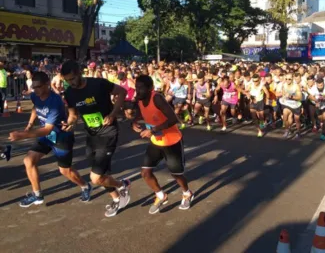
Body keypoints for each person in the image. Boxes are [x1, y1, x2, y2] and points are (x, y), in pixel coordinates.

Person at [8, 72, 91, 207]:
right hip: (46, 136)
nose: (35, 90)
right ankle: (37, 195)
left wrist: (22, 135)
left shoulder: (55, 101)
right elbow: (36, 108)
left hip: (61, 137)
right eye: (34, 87)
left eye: (38, 87)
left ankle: (85, 186)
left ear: (47, 84)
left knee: (65, 170)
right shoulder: (35, 95)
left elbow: (47, 129)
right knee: (28, 160)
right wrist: (29, 125)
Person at [60, 60, 131, 217]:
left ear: (79, 73)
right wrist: (70, 124)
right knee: (100, 174)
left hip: (108, 132)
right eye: (67, 80)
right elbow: (73, 115)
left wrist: (113, 114)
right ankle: (117, 198)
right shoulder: (70, 93)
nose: (70, 83)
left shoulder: (98, 84)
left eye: (72, 78)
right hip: (91, 135)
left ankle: (121, 185)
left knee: (95, 177)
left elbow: (122, 92)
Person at [132, 75, 194, 214]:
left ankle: (187, 193)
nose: (138, 90)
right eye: (136, 87)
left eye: (141, 88)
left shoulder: (157, 98)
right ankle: (161, 196)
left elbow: (173, 119)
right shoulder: (140, 100)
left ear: (150, 88)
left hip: (172, 141)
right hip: (156, 141)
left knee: (176, 174)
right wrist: (134, 121)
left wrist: (152, 130)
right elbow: (142, 113)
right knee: (145, 172)